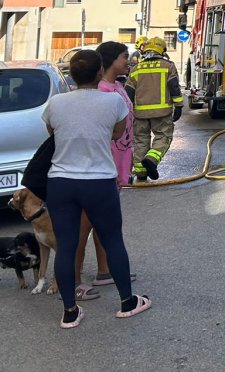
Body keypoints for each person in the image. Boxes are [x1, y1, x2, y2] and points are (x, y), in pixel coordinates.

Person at [43, 49, 151, 328]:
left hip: (61, 182)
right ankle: (127, 302)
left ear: (72, 75)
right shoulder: (114, 102)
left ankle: (70, 311)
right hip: (99, 180)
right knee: (113, 239)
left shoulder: (55, 103)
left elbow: (53, 133)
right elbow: (117, 134)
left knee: (66, 246)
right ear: (100, 72)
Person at [74, 42, 137, 300]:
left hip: (116, 163)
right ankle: (73, 279)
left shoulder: (118, 87)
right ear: (111, 61)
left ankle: (104, 270)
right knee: (84, 225)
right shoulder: (101, 91)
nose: (129, 62)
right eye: (125, 57)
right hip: (101, 167)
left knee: (104, 223)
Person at [127, 37, 182, 181]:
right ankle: (151, 160)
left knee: (140, 140)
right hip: (162, 113)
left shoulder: (135, 68)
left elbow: (128, 94)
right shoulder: (168, 66)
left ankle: (140, 172)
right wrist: (179, 105)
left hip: (139, 114)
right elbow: (174, 87)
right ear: (162, 50)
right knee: (163, 137)